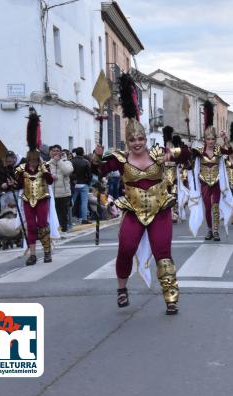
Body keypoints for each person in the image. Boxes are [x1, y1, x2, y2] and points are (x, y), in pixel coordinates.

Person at [93, 73, 190, 314]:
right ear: (127, 141)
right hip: (134, 211)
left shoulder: (158, 153)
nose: (137, 142)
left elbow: (188, 154)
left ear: (146, 139)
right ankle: (121, 288)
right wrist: (96, 155)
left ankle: (171, 297)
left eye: (140, 138)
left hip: (160, 209)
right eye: (132, 139)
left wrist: (174, 151)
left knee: (162, 252)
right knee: (125, 248)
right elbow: (97, 168)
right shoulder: (120, 158)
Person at [15, 108, 54, 266]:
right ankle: (32, 254)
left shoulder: (43, 167)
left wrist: (45, 171)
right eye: (30, 159)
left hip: (42, 198)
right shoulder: (22, 169)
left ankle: (46, 252)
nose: (32, 162)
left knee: (42, 225)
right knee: (30, 226)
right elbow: (18, 184)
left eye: (34, 159)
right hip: (27, 199)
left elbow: (50, 181)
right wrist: (11, 182)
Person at [191, 100, 232, 241]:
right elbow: (187, 159)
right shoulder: (198, 151)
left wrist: (226, 139)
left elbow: (230, 151)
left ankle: (216, 231)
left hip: (216, 182)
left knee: (215, 206)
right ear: (205, 139)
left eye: (213, 138)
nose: (210, 141)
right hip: (203, 182)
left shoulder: (218, 150)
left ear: (215, 139)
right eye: (208, 138)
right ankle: (209, 229)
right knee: (207, 207)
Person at [48, 144, 73, 233]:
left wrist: (58, 161)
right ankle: (55, 229)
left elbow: (67, 171)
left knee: (63, 212)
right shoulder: (48, 164)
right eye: (54, 151)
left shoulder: (66, 162)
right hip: (52, 193)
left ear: (60, 152)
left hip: (64, 193)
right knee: (54, 213)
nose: (55, 152)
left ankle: (64, 228)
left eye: (57, 151)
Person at [71, 146, 92, 224]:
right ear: (83, 153)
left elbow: (70, 173)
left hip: (74, 184)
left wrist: (73, 181)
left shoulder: (71, 161)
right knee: (84, 202)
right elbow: (90, 174)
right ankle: (84, 218)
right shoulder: (86, 162)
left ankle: (68, 218)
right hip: (84, 183)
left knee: (72, 202)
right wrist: (88, 182)